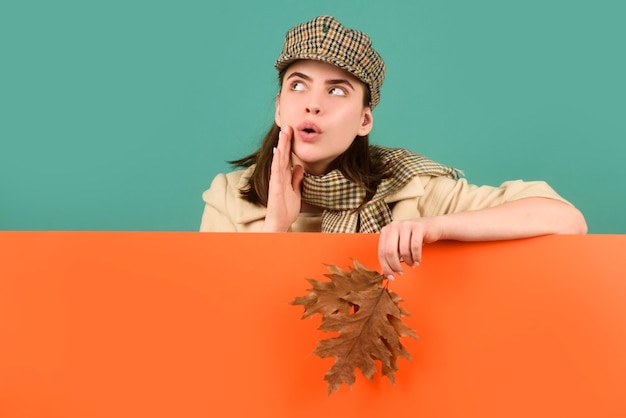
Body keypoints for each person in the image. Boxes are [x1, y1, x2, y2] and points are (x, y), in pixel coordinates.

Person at [199, 15, 587, 280]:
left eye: (337, 90)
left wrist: (434, 227)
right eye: (298, 85)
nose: (312, 103)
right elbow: (225, 322)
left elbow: (566, 220)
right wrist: (276, 229)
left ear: (364, 120)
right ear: (280, 106)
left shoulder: (408, 187)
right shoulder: (229, 198)